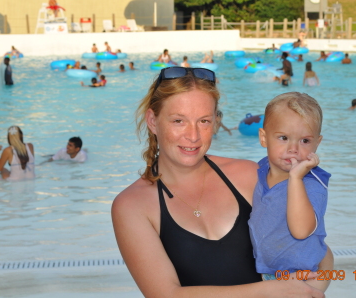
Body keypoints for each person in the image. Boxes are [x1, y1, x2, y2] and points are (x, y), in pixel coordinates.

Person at [111, 66, 332, 297]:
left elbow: (322, 256)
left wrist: (308, 289)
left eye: (204, 121)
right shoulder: (132, 206)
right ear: (153, 121)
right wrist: (273, 290)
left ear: (216, 122)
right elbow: (165, 295)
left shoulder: (249, 176)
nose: (193, 135)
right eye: (178, 121)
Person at [251, 92, 330, 292]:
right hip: (270, 274)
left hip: (303, 278)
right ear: (264, 138)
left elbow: (301, 230)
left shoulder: (311, 184)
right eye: (284, 138)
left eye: (304, 141)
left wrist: (295, 178)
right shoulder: (262, 169)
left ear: (317, 143)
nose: (293, 148)